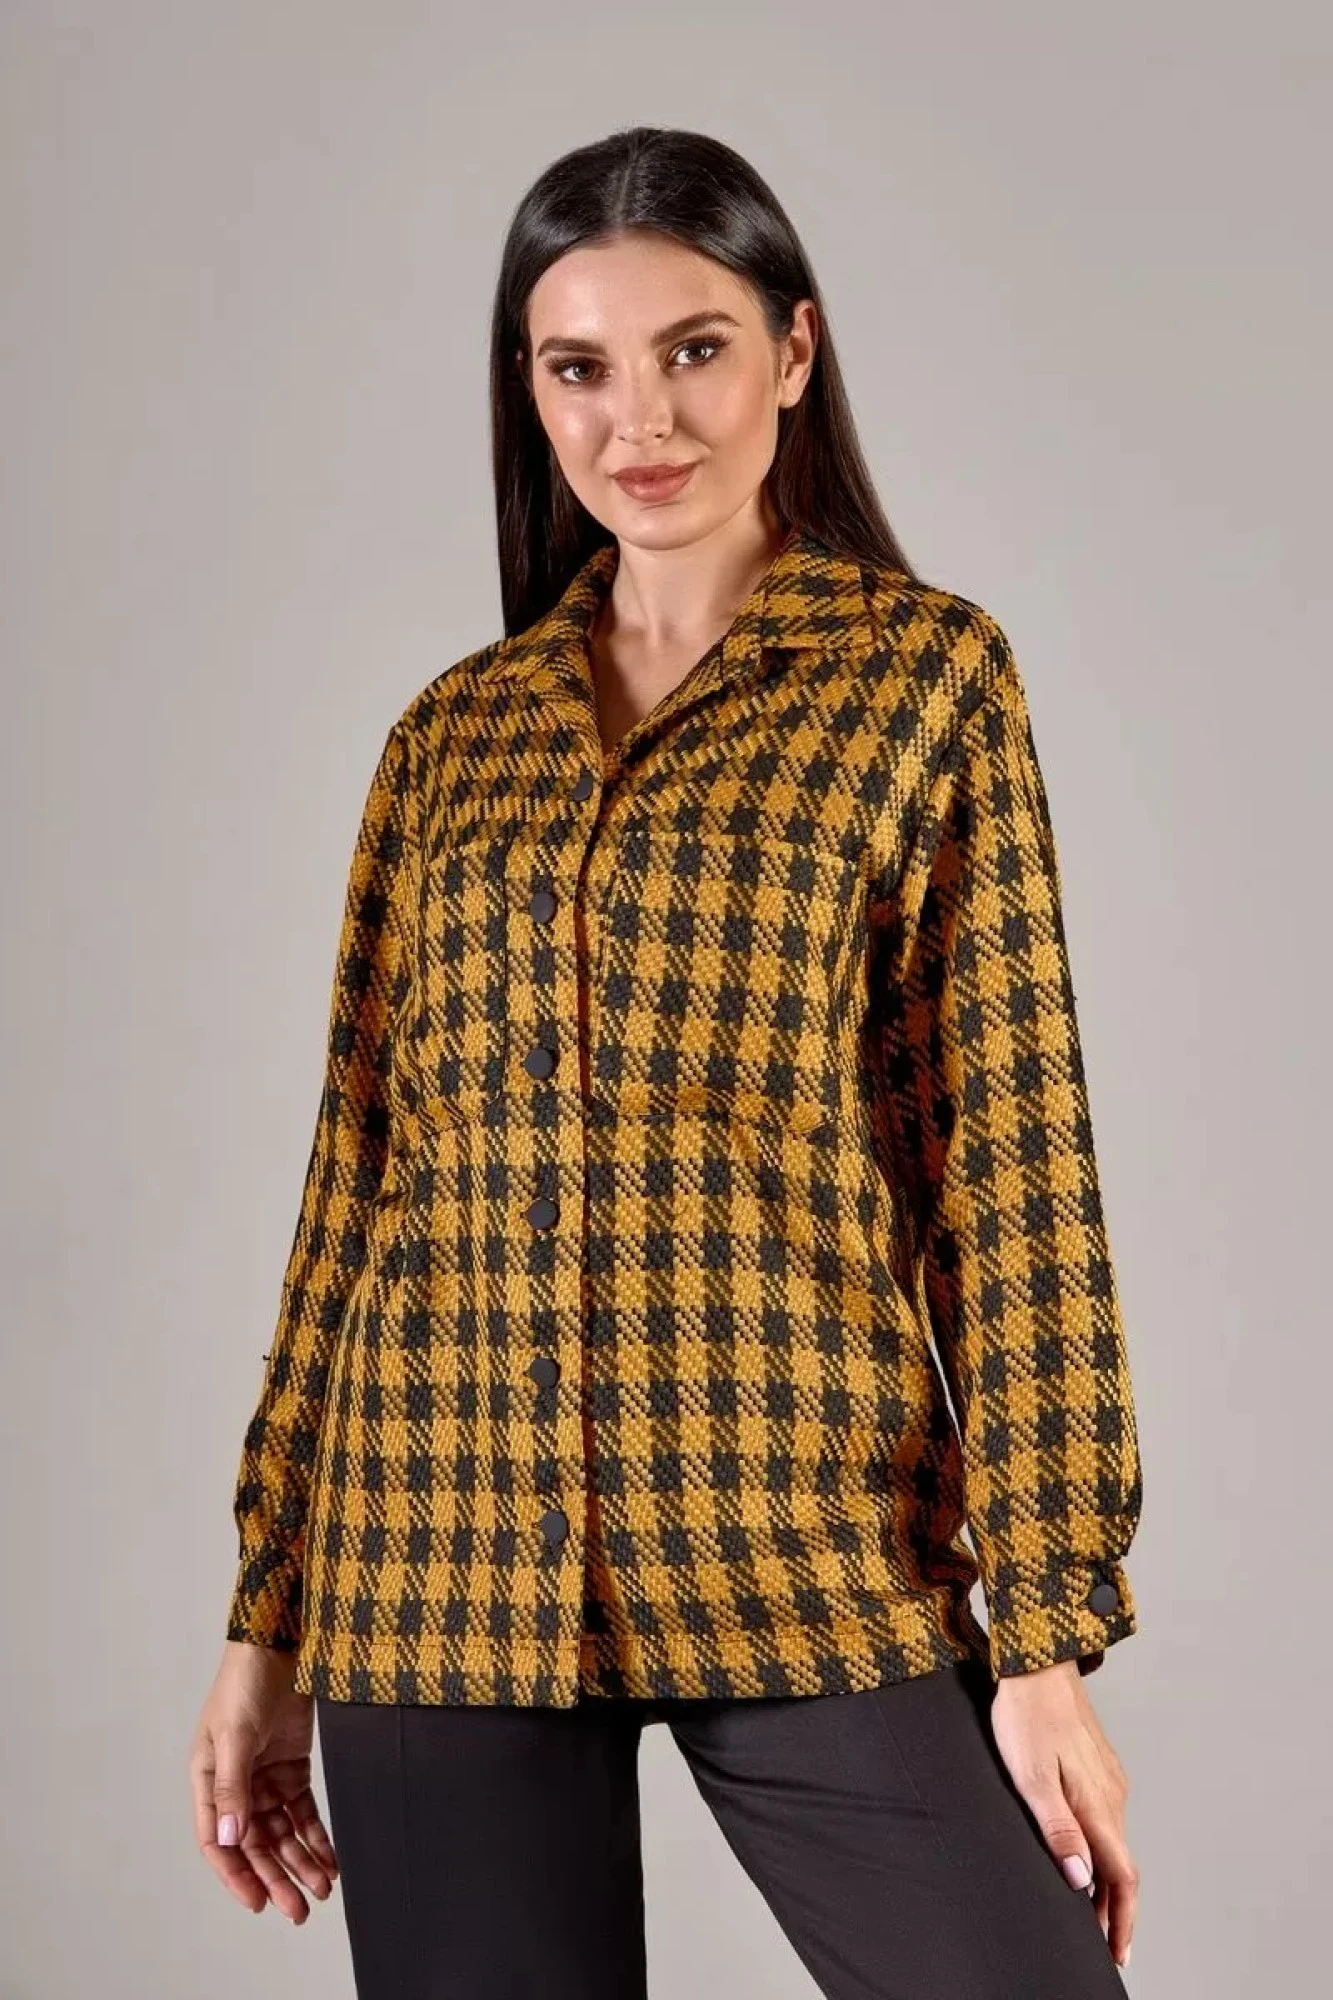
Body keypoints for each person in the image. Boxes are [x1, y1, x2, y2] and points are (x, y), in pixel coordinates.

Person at [189, 124, 1144, 1997]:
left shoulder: (926, 684)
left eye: (694, 348)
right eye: (580, 366)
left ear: (794, 351)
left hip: (799, 1529)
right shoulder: (450, 743)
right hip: (435, 1561)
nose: (642, 418)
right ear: (528, 389)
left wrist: (1041, 1638)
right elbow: (356, 1194)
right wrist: (265, 1622)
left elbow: (1009, 1178)